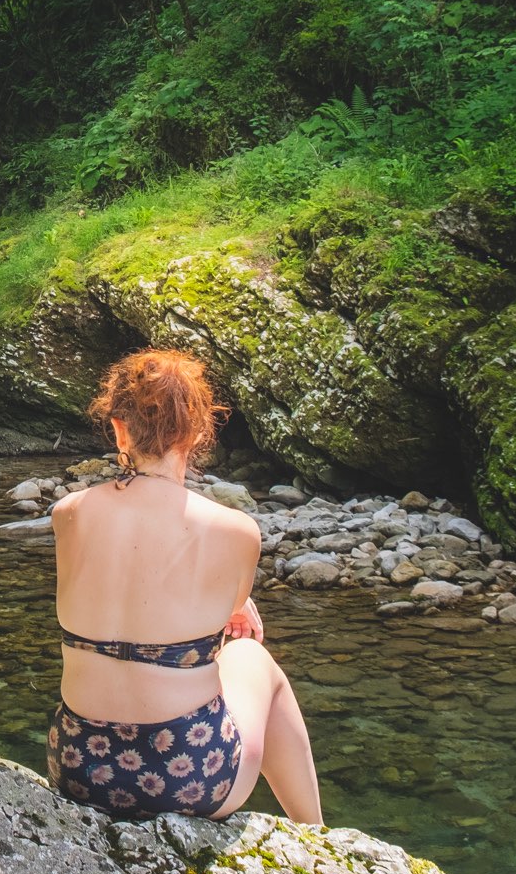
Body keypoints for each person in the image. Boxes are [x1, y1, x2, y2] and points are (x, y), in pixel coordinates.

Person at [46, 349, 324, 824]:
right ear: (197, 434)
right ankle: (316, 836)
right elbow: (227, 616)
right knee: (253, 658)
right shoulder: (235, 531)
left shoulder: (67, 514)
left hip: (79, 769)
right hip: (189, 778)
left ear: (119, 428)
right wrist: (238, 603)